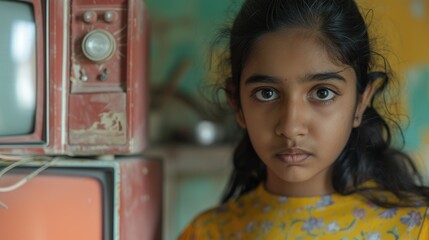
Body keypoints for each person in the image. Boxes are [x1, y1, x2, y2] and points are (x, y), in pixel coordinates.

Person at [179, 0, 429, 239]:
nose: (291, 127)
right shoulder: (208, 233)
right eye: (266, 93)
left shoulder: (414, 229)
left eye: (323, 92)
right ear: (237, 103)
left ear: (361, 101)